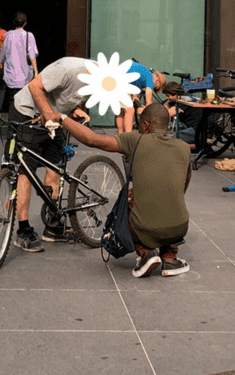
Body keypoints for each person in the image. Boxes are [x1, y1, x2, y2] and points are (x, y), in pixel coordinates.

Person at [57, 102, 192, 277]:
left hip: (146, 228)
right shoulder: (183, 147)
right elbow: (181, 188)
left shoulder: (136, 139)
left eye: (140, 125)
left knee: (126, 205)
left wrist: (61, 118)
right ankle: (170, 258)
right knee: (165, 203)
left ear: (145, 125)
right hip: (180, 227)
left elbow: (91, 139)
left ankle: (145, 253)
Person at [10, 56, 95, 251]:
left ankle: (52, 226)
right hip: (28, 114)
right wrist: (48, 114)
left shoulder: (93, 82)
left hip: (54, 119)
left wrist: (74, 110)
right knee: (25, 170)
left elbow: (66, 96)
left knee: (55, 167)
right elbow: (34, 86)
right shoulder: (68, 68)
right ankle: (23, 230)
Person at [0, 11, 38, 101]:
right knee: (24, 100)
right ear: (25, 23)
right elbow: (32, 55)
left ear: (13, 22)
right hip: (26, 75)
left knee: (13, 100)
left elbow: (2, 57)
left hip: (11, 74)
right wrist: (36, 71)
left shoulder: (8, 35)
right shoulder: (29, 36)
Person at [116, 61, 166, 133]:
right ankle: (127, 137)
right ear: (157, 80)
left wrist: (134, 96)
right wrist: (145, 110)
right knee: (130, 110)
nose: (153, 89)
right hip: (121, 78)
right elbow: (149, 102)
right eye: (156, 88)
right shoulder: (150, 79)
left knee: (121, 110)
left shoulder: (145, 72)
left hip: (114, 75)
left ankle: (120, 135)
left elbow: (132, 82)